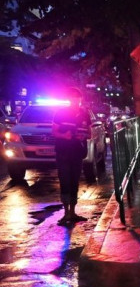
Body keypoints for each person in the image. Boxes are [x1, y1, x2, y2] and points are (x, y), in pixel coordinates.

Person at [52, 87, 91, 225]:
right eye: (73, 98)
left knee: (75, 181)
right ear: (69, 100)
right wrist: (64, 136)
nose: (76, 101)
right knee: (65, 180)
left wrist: (83, 136)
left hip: (77, 152)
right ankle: (66, 212)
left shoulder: (85, 114)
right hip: (63, 151)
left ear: (81, 99)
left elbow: (89, 133)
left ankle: (73, 212)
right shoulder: (60, 113)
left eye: (78, 98)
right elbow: (54, 132)